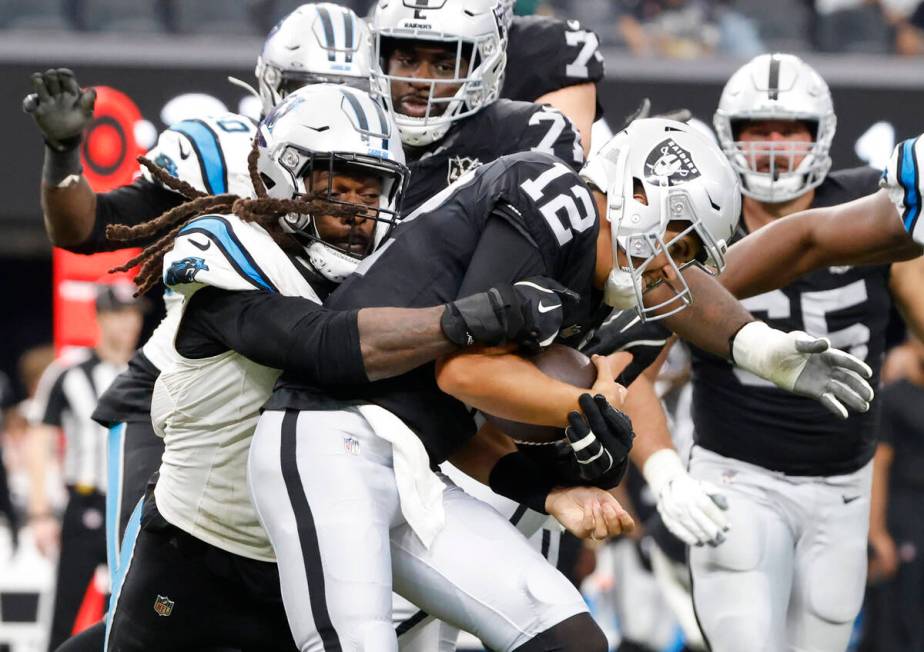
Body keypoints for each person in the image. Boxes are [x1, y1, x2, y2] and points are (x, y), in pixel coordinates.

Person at [250, 116, 875, 651]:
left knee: (566, 636)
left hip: (418, 465)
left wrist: (552, 492)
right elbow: (465, 370)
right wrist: (586, 400)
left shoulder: (590, 274)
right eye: (677, 242)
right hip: (327, 442)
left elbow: (450, 413)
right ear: (634, 197)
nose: (675, 267)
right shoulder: (551, 197)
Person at [103, 82, 580, 652]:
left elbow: (418, 427)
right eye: (338, 188)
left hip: (303, 563)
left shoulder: (380, 283)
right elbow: (317, 344)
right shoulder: (226, 242)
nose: (358, 210)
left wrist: (545, 487)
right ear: (283, 177)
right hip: (191, 555)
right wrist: (470, 317)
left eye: (370, 189)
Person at [680, 52, 924, 652]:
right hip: (737, 468)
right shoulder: (697, 214)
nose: (773, 146)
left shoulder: (865, 199)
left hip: (843, 479)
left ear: (822, 136)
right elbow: (638, 352)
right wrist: (660, 469)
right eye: (756, 131)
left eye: (790, 130)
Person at [367, 0, 585, 215]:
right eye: (406, 61)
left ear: (485, 66)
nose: (421, 80)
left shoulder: (524, 134)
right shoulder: (354, 120)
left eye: (444, 67)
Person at [26, 282, 144, 651]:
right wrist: (40, 511)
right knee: (65, 610)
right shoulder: (67, 372)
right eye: (118, 314)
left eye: (133, 315)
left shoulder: (150, 371)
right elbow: (39, 439)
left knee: (127, 613)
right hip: (84, 504)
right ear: (100, 318)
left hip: (131, 508)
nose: (128, 324)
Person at [859, 338, 924, 652]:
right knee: (898, 613)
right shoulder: (895, 399)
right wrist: (877, 532)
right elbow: (879, 465)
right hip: (903, 511)